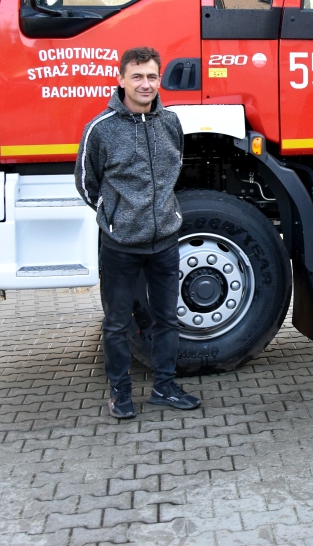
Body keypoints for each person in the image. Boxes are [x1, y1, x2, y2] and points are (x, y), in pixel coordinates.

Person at [75, 46, 201, 419]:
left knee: (167, 319)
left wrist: (165, 212)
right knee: (116, 323)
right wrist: (115, 216)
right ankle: (120, 394)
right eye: (137, 76)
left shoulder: (171, 123)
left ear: (159, 80)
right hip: (121, 245)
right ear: (121, 80)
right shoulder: (100, 129)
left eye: (151, 77)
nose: (145, 84)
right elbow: (86, 182)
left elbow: (175, 168)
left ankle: (164, 387)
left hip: (165, 242)